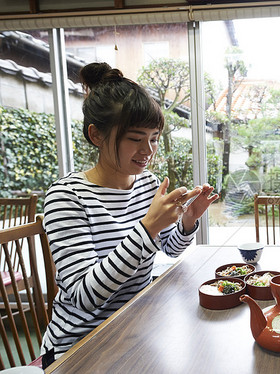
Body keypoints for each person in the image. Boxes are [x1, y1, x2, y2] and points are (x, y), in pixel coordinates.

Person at [40, 62, 219, 368]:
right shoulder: (67, 197)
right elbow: (87, 296)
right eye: (135, 138)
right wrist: (147, 229)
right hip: (79, 345)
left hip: (135, 326)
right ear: (96, 135)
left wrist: (188, 221)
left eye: (153, 138)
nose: (147, 150)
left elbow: (167, 248)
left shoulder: (147, 183)